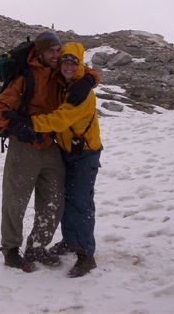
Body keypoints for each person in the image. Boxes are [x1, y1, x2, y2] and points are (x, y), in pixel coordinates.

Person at [0, 31, 98, 273]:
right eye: (52, 51)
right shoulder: (25, 78)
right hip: (23, 147)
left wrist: (91, 79)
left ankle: (37, 246)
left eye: (59, 51)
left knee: (54, 202)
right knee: (15, 201)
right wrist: (17, 126)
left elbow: (79, 70)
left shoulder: (59, 72)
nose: (57, 56)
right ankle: (11, 250)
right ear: (40, 52)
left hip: (49, 144)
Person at [30, 42, 103, 278]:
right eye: (65, 62)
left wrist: (30, 124)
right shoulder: (63, 81)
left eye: (74, 62)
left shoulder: (82, 91)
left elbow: (61, 120)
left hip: (84, 154)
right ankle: (71, 240)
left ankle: (86, 255)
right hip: (65, 150)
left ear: (80, 64)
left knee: (81, 202)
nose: (68, 66)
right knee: (66, 199)